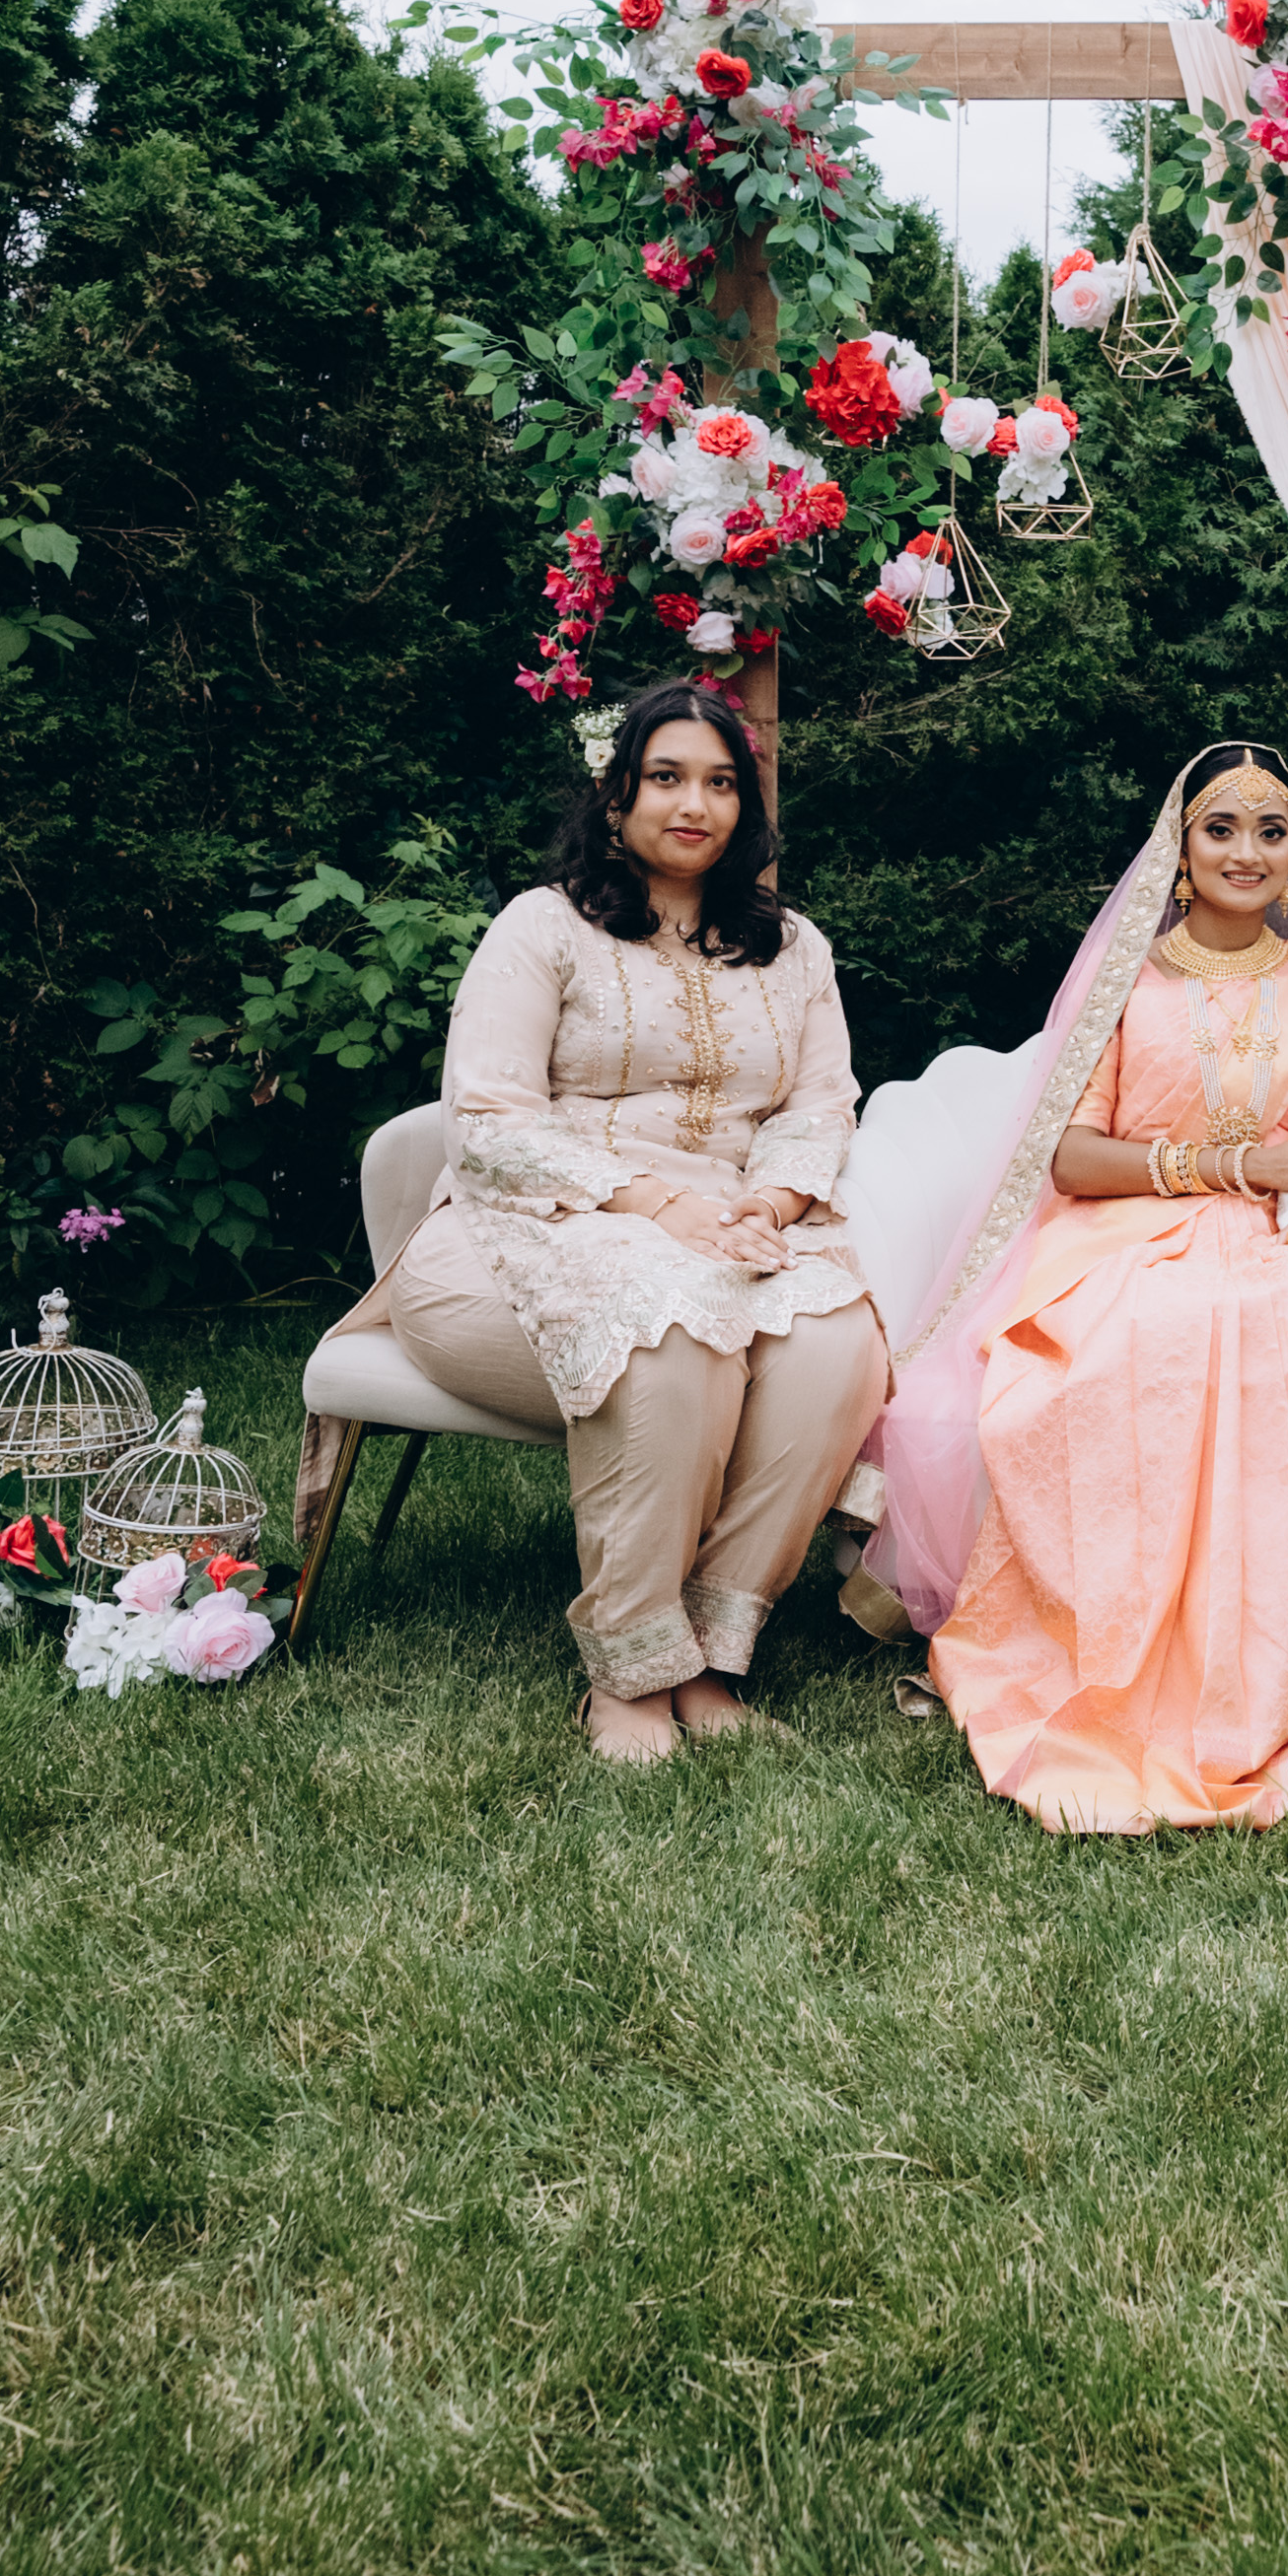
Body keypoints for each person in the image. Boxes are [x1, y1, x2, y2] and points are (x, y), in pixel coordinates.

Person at [872, 743, 1288, 1834]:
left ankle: (1234, 1683)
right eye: (1221, 828)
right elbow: (1072, 1156)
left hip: (1283, 1235)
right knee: (1140, 1329)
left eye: (1272, 831)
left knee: (1262, 1321)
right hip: (1122, 1229)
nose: (1247, 851)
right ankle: (1094, 1658)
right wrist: (1233, 1165)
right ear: (1179, 852)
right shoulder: (1127, 982)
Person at [385, 680, 890, 1764]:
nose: (694, 804)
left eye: (720, 782)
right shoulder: (545, 925)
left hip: (737, 1218)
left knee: (839, 1345)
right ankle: (628, 1668)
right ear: (616, 795)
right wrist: (661, 1204)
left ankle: (709, 1652)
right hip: (539, 1216)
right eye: (666, 776)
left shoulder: (794, 946)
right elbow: (486, 1118)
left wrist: (769, 1200)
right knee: (670, 1328)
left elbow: (818, 1104)